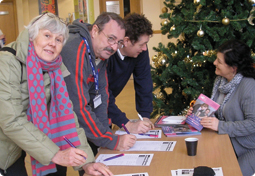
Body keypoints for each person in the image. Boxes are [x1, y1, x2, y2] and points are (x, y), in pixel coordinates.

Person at [0, 12, 112, 176]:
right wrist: (55, 154)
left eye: (58, 40)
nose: (52, 43)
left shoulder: (55, 67)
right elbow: (12, 120)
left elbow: (68, 117)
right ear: (32, 36)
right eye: (47, 35)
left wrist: (87, 161)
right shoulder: (7, 62)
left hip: (15, 147)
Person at [61, 12, 137, 160]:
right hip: (51, 122)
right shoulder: (75, 49)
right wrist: (110, 140)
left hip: (70, 119)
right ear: (95, 31)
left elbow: (101, 94)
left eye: (119, 42)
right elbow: (78, 107)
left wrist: (105, 136)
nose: (114, 47)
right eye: (111, 39)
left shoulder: (100, 51)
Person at [187, 40, 255, 176]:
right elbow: (218, 113)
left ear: (233, 68)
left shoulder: (249, 86)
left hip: (247, 147)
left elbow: (253, 124)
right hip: (224, 139)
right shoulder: (221, 80)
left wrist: (220, 126)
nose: (214, 63)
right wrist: (199, 113)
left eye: (219, 61)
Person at [107, 13, 154, 134]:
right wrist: (125, 123)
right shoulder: (107, 53)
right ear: (126, 41)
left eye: (146, 44)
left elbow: (144, 82)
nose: (144, 48)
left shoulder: (140, 52)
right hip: (91, 102)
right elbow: (103, 94)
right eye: (141, 44)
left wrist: (145, 117)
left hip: (105, 100)